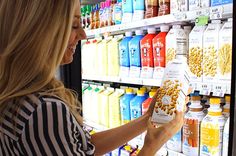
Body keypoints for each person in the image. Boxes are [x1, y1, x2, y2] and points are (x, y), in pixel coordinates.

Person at [0, 0, 185, 155]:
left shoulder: (20, 94)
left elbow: (82, 145)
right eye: (73, 25)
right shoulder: (44, 111)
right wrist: (151, 146)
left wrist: (146, 120)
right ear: (38, 31)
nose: (83, 34)